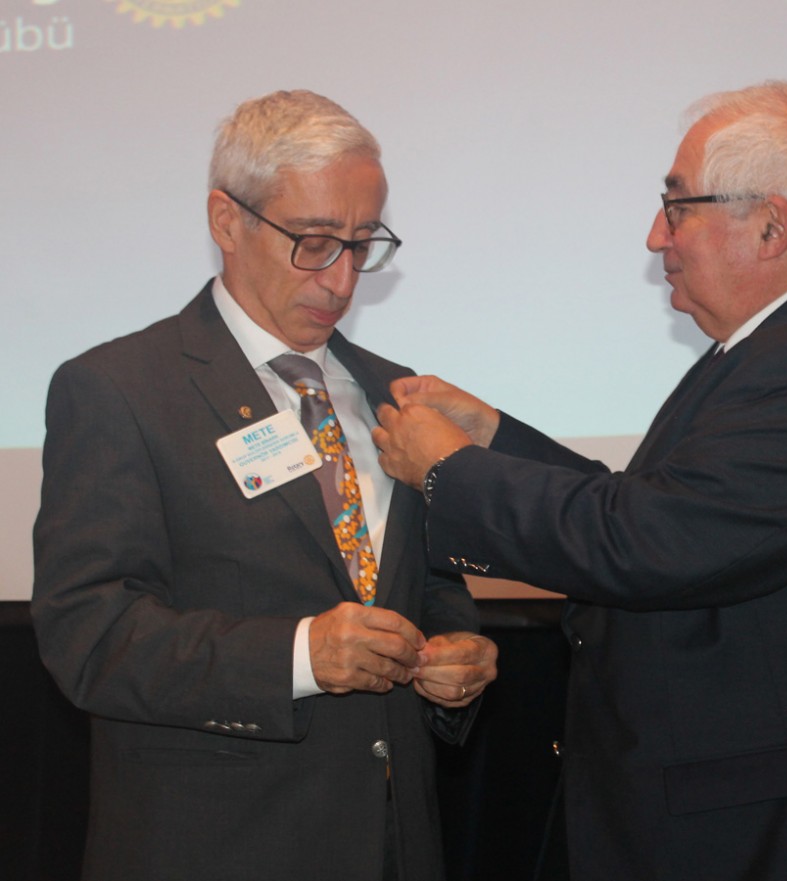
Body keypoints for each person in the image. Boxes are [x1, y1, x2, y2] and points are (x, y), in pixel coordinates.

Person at [374, 82, 787, 880]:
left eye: (677, 205)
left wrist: (451, 470)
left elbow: (644, 541)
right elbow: (663, 510)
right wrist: (490, 435)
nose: (657, 235)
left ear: (771, 226)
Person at [32, 89, 497, 881]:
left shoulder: (394, 393)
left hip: (393, 843)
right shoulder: (120, 389)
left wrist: (456, 660)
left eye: (362, 244)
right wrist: (299, 655)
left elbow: (427, 589)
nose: (342, 279)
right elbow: (89, 634)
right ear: (226, 220)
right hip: (217, 847)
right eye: (314, 242)